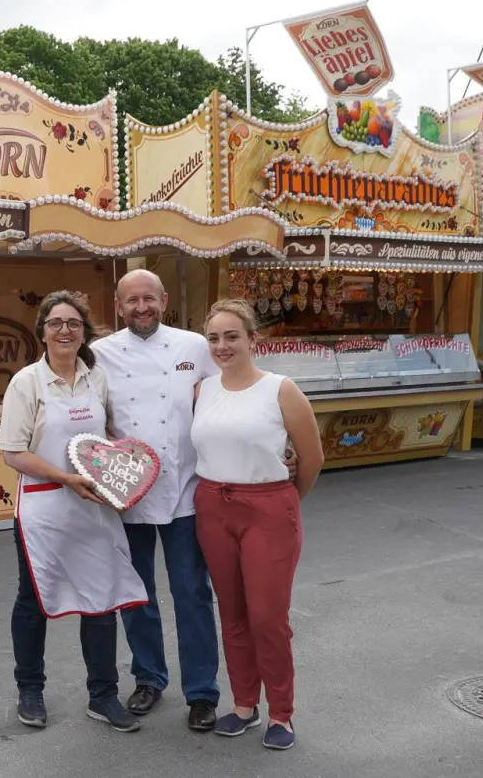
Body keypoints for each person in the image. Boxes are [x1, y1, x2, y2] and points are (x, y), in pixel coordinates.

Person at [0, 290, 146, 734]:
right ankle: (30, 690)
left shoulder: (96, 378)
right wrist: (66, 480)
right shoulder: (27, 382)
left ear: (83, 332)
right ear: (42, 331)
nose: (65, 331)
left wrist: (125, 472)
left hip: (93, 507)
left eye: (73, 324)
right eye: (56, 323)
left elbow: (107, 440)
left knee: (100, 600)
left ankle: (103, 695)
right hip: (44, 506)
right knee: (34, 599)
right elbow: (12, 452)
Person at [90, 270, 224, 731]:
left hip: (185, 490)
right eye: (132, 301)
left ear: (164, 300)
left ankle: (202, 692)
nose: (141, 307)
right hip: (127, 494)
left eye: (149, 298)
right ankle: (148, 677)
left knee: (192, 593)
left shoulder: (194, 347)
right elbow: (91, 416)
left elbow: (226, 400)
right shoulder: (100, 354)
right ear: (118, 305)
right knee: (136, 594)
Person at [191, 299, 324, 751]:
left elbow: (312, 457)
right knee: (233, 615)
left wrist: (284, 500)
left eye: (232, 336)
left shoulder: (281, 389)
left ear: (253, 339)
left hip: (267, 509)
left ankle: (281, 714)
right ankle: (244, 704)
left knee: (268, 618)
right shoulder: (203, 391)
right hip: (212, 506)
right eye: (214, 338)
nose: (222, 346)